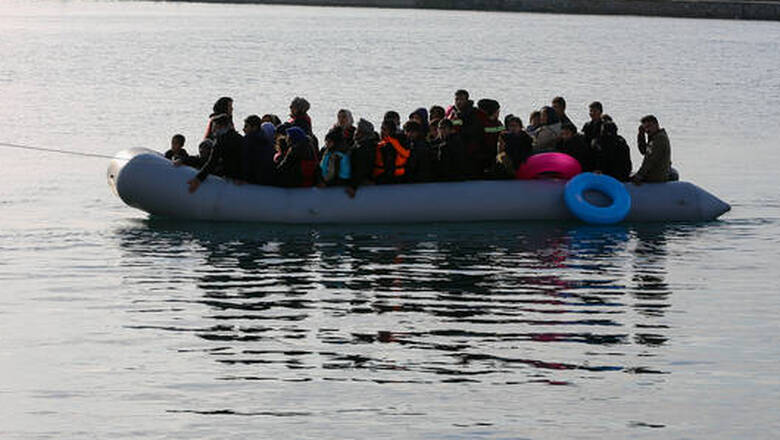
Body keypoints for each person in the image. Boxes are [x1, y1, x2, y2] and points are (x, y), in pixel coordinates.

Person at [188, 114, 244, 193]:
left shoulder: (220, 141)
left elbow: (212, 162)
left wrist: (198, 179)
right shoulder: (239, 137)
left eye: (214, 128)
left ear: (220, 127)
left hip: (233, 176)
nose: (213, 131)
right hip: (242, 176)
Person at [448, 89, 484, 176]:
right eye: (456, 99)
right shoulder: (453, 113)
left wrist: (458, 130)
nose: (458, 102)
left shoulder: (473, 113)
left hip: (469, 150)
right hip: (454, 148)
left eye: (461, 99)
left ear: (467, 100)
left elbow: (474, 131)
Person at [631, 115, 671, 184]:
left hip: (656, 177)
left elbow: (650, 160)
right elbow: (643, 151)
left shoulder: (659, 139)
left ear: (656, 124)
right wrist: (641, 135)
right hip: (659, 173)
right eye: (645, 128)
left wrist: (639, 175)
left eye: (649, 126)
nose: (647, 130)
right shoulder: (658, 135)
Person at [347, 118, 380, 198]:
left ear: (363, 133)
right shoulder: (365, 144)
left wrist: (353, 186)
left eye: (357, 131)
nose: (355, 133)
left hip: (363, 181)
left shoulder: (363, 148)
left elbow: (361, 168)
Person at [373, 119, 410, 184]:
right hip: (397, 177)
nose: (382, 131)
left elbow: (390, 166)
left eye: (384, 129)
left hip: (389, 180)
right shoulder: (388, 142)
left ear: (391, 131)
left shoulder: (389, 146)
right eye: (381, 128)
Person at [241, 115, 276, 185]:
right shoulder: (266, 139)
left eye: (246, 126)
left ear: (254, 127)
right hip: (267, 178)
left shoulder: (249, 140)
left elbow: (246, 160)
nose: (243, 129)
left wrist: (242, 178)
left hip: (255, 180)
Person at [476, 98, 503, 178]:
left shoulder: (497, 123)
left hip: (490, 155)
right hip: (483, 156)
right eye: (498, 111)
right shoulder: (481, 123)